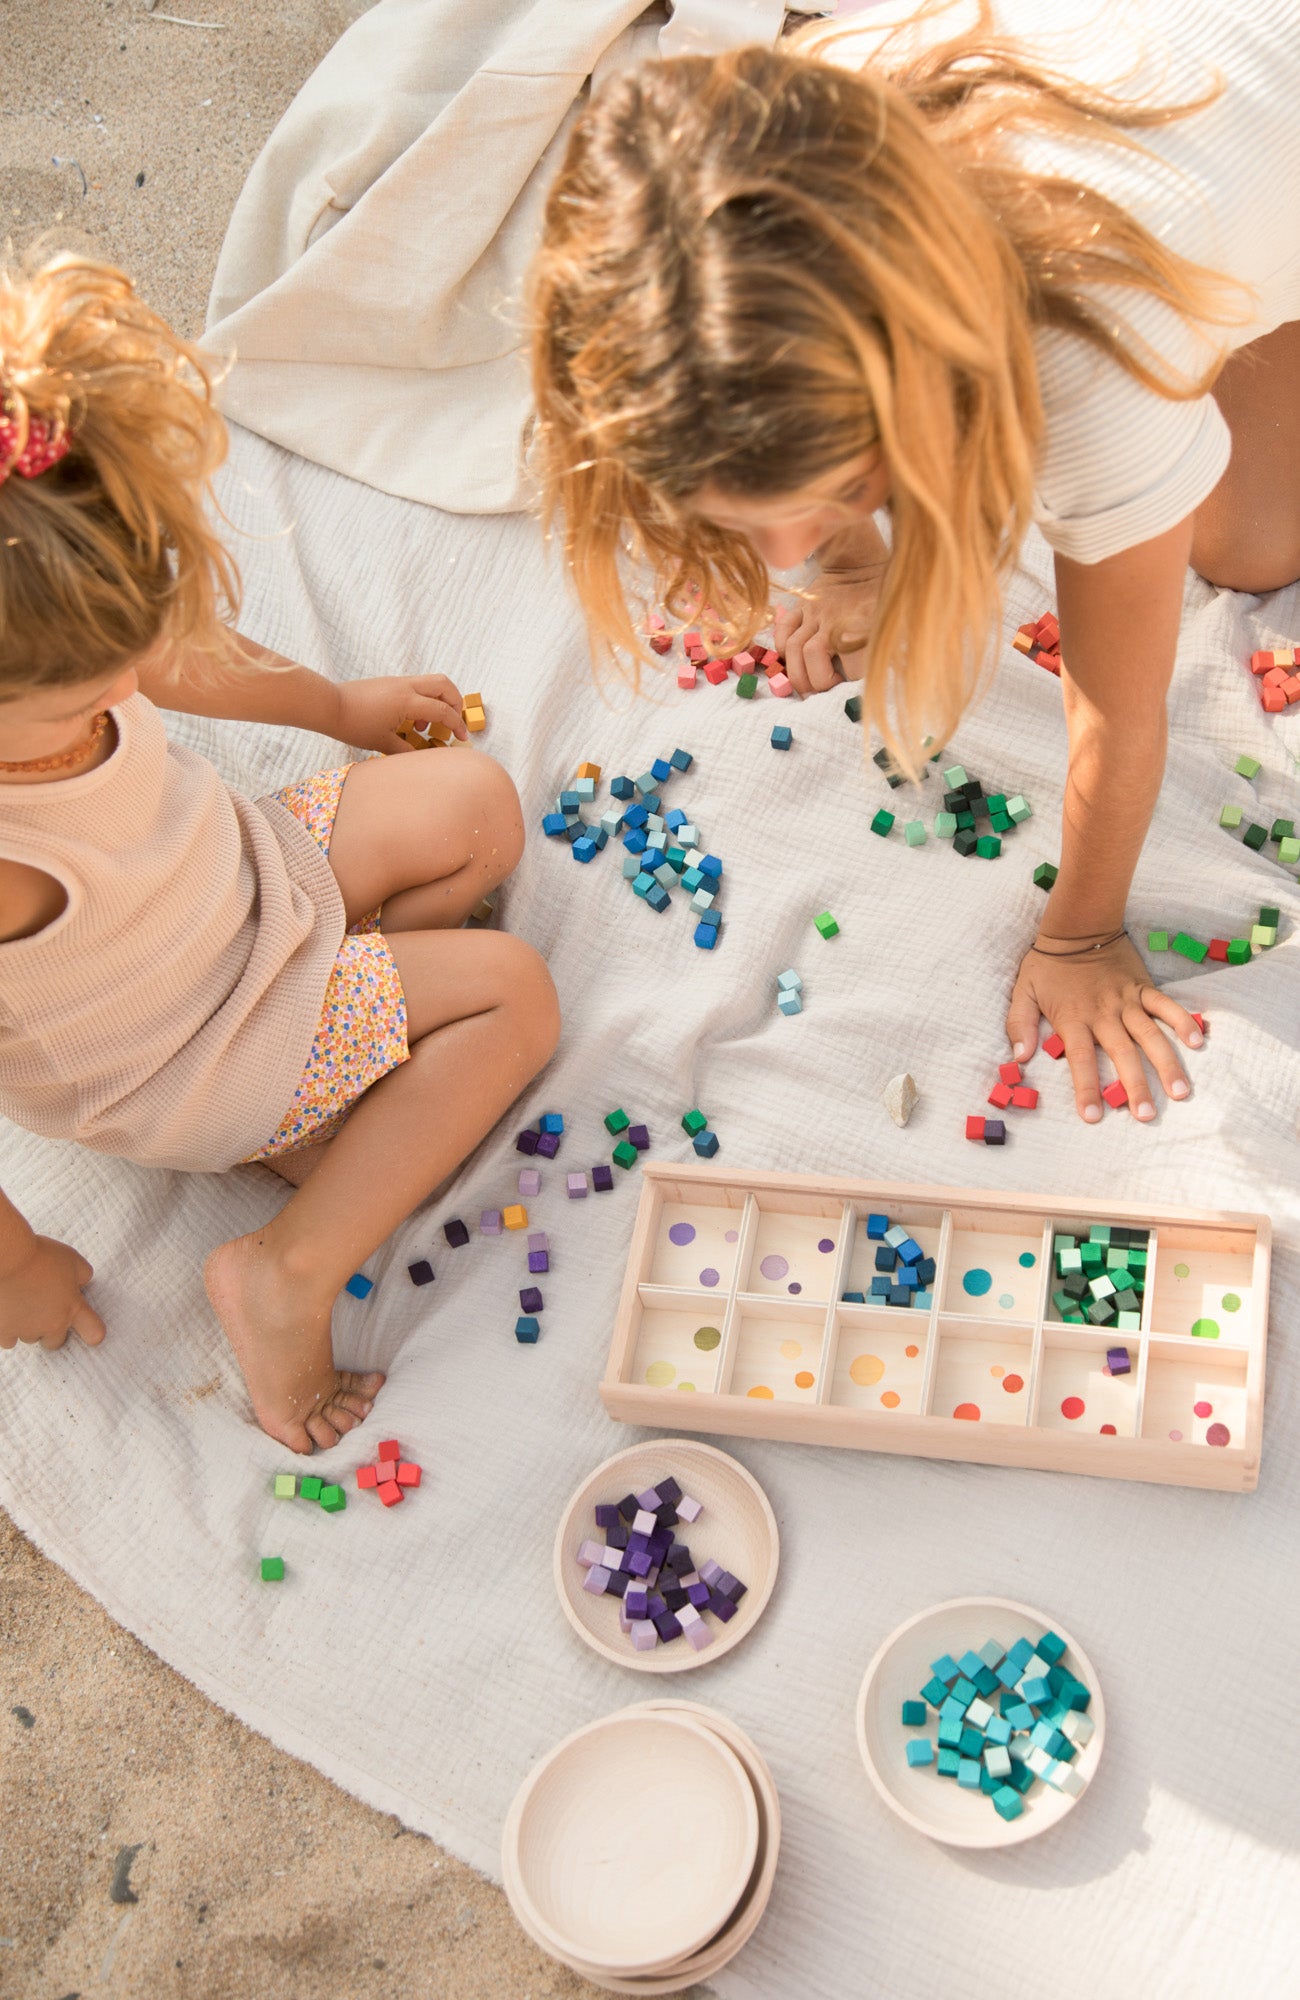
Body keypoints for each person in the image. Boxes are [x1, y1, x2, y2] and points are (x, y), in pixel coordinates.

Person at [528, 0, 1300, 1123]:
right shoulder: (792, 138)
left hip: (1218, 133)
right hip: (1181, 129)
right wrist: (850, 562)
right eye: (749, 519)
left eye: (841, 493)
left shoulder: (1088, 374)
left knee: (1249, 549)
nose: (781, 554)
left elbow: (1118, 717)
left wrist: (1080, 933)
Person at [0, 252, 559, 1452]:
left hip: (245, 883)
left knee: (474, 802)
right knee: (512, 996)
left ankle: (346, 1093)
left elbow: (180, 658)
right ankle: (284, 1273)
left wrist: (338, 708)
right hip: (193, 1049)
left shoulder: (60, 616)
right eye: (96, 688)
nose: (132, 683)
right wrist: (14, 1265)